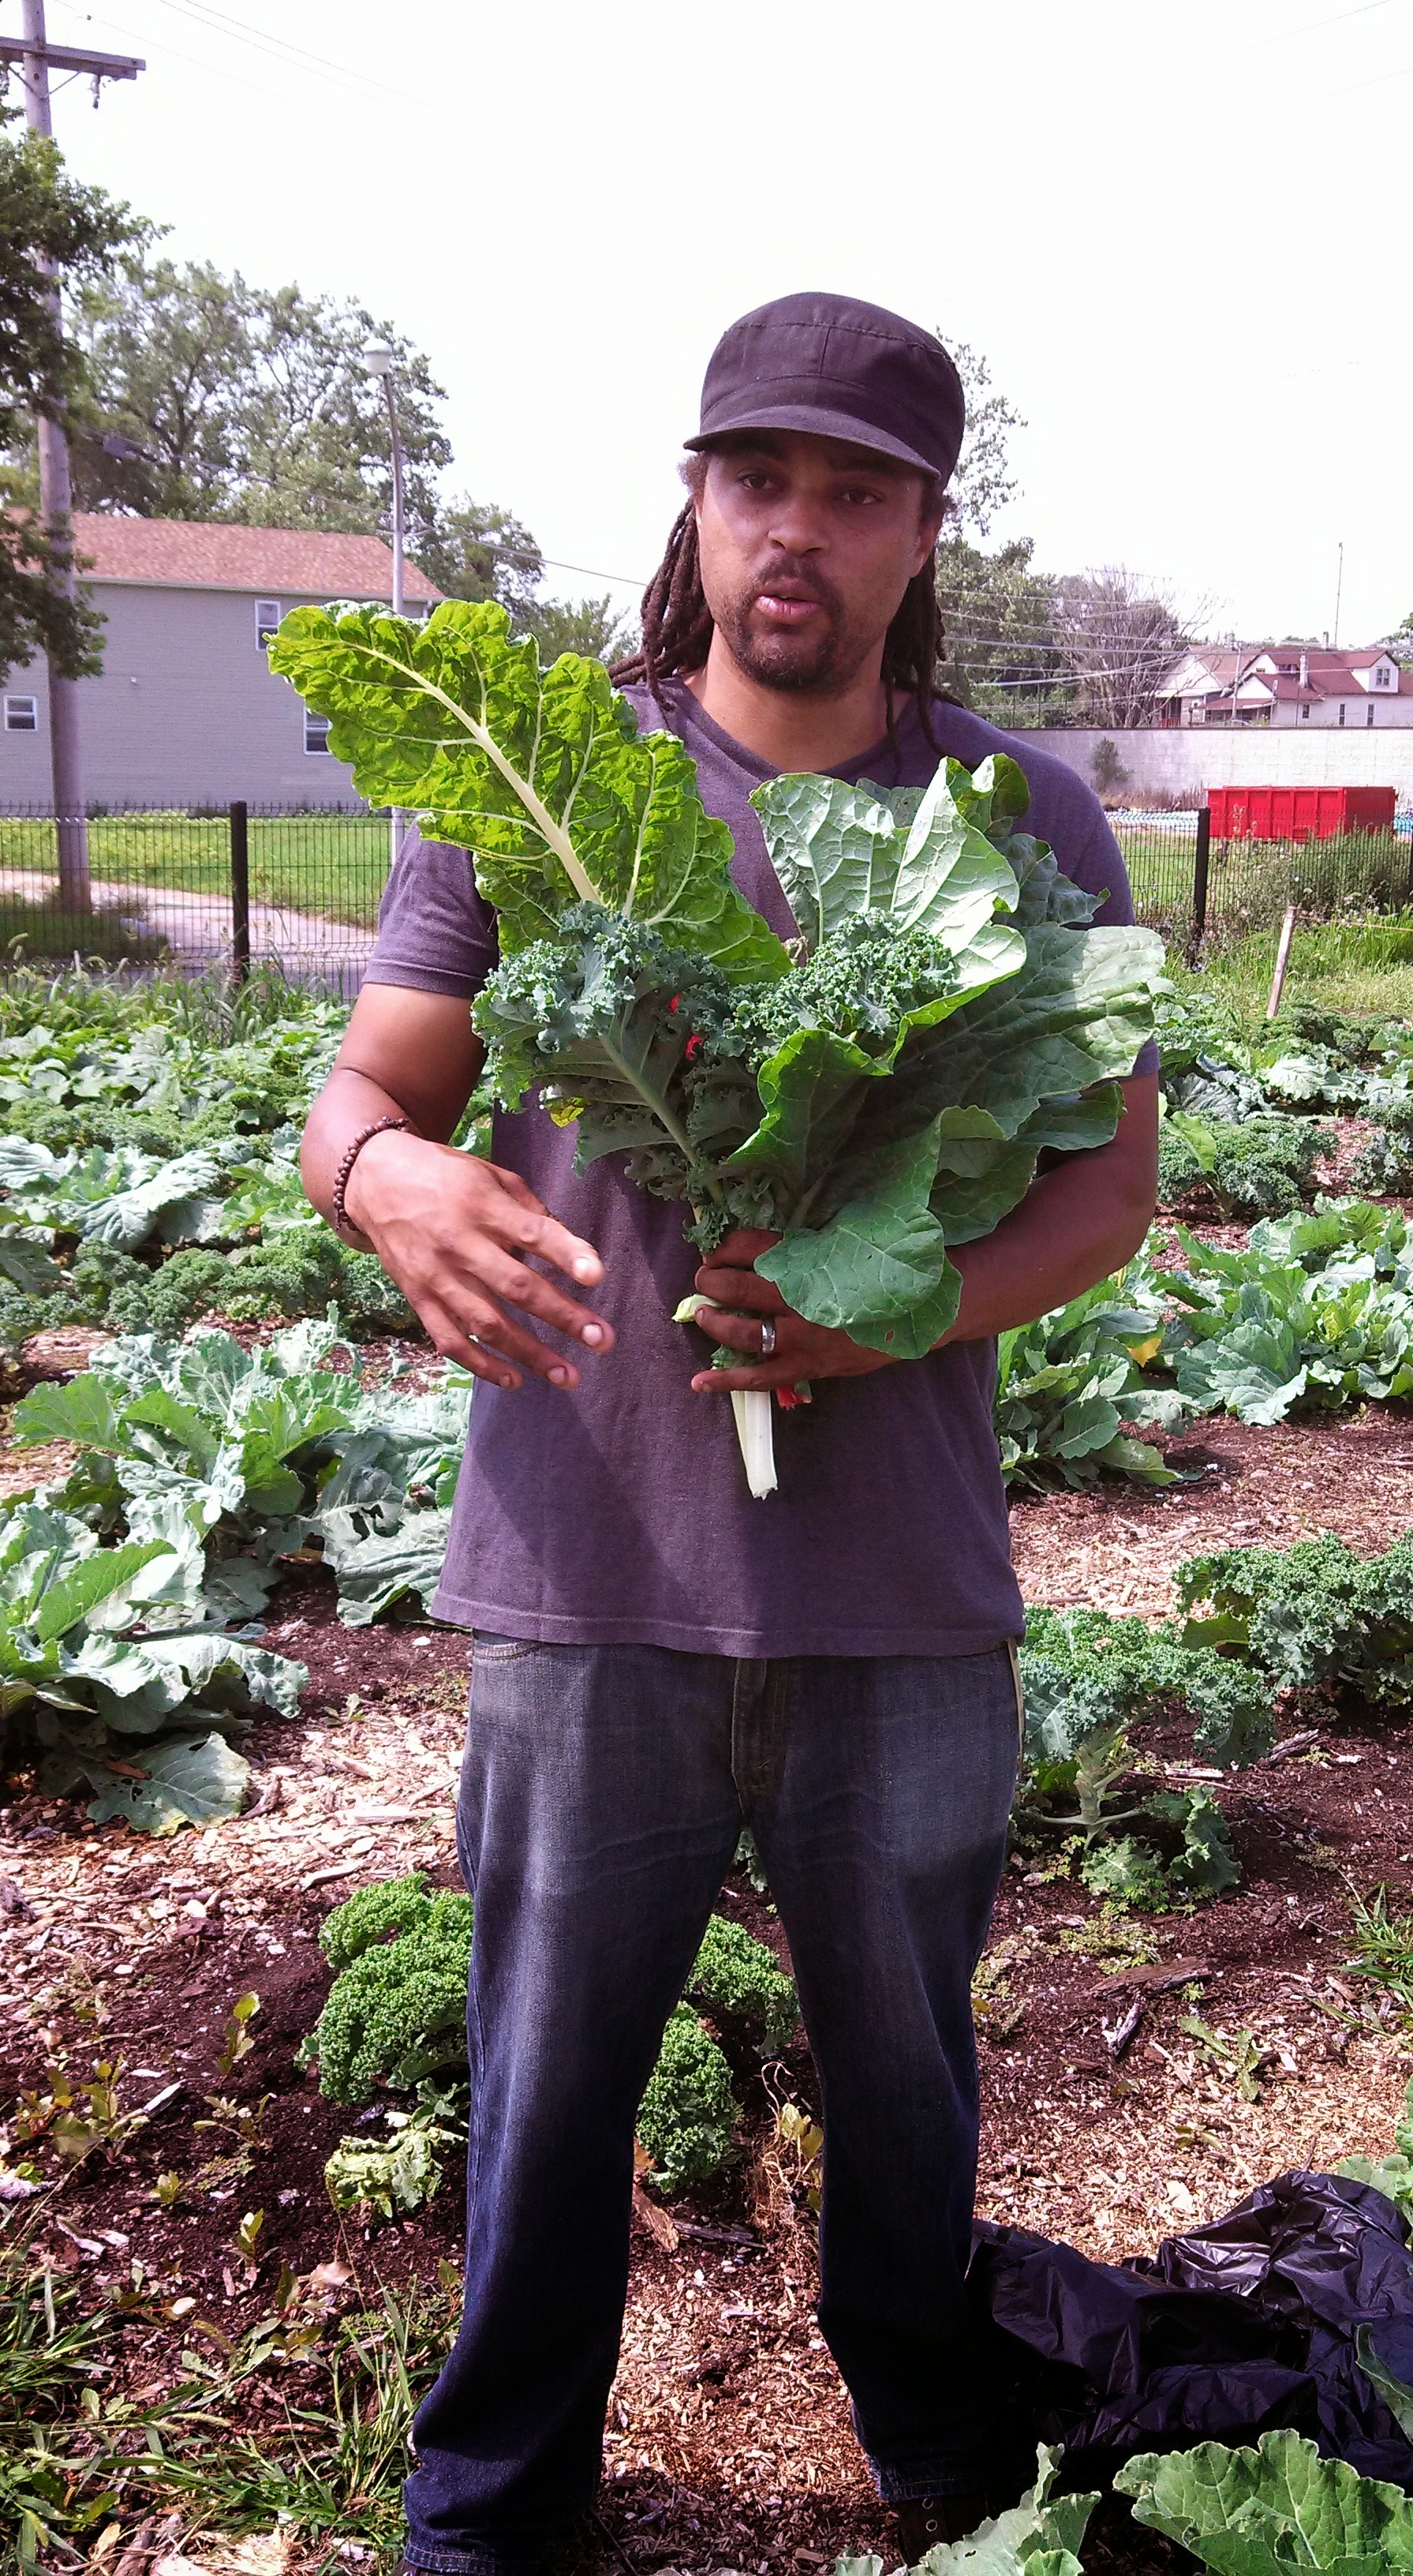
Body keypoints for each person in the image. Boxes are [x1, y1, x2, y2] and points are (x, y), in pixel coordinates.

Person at [298, 290, 1159, 2568]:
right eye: (755, 477)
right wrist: (389, 1180)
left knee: (905, 2082)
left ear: (916, 534)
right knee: (549, 2082)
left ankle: (927, 2430)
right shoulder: (536, 775)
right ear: (693, 501)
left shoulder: (1015, 809)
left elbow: (1110, 1186)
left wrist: (891, 1321)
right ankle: (495, 2495)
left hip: (895, 1587)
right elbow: (368, 1088)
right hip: (584, 1573)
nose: (797, 529)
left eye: (852, 491)